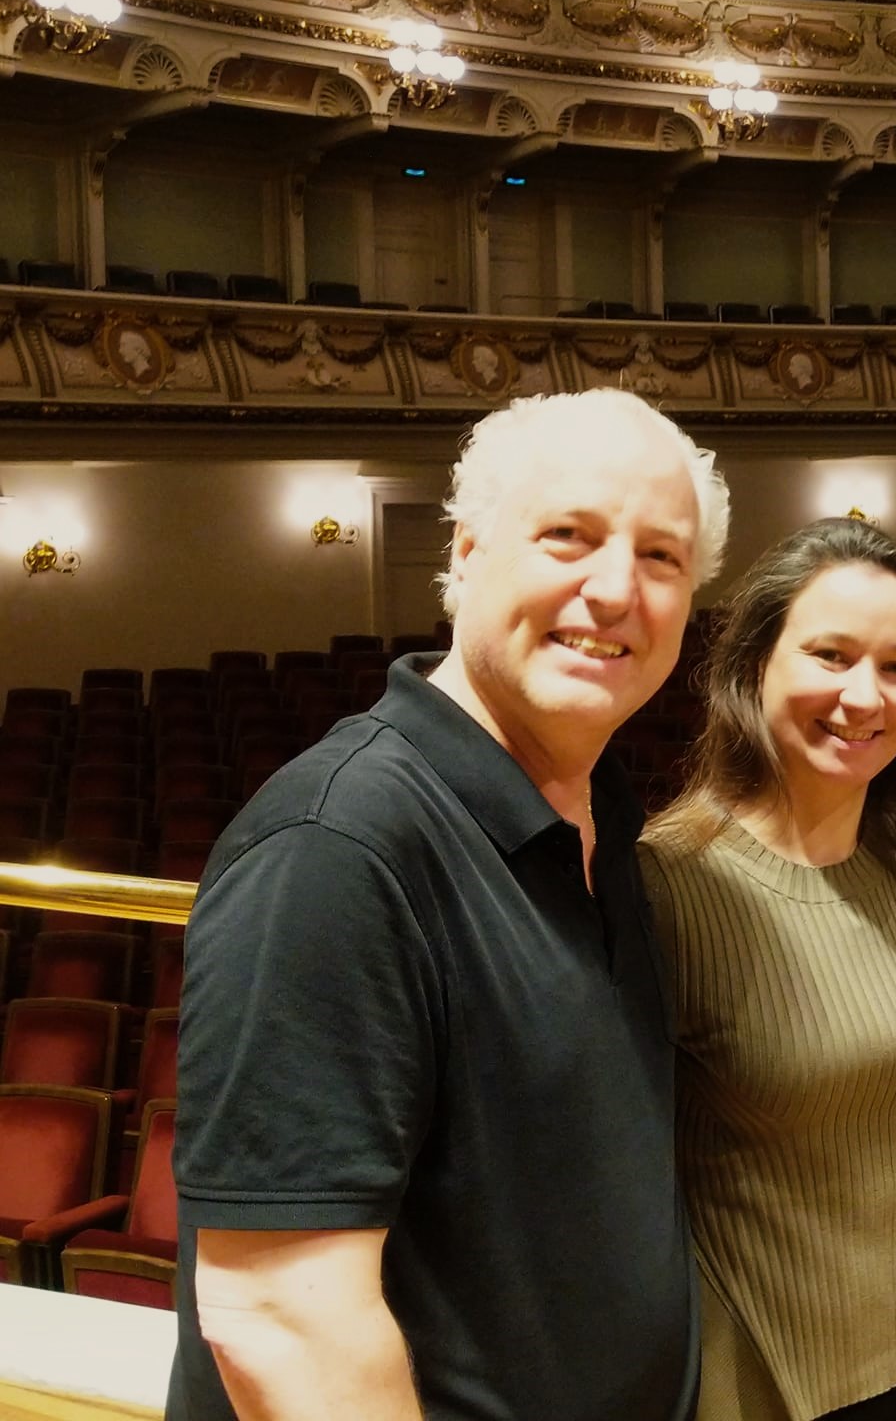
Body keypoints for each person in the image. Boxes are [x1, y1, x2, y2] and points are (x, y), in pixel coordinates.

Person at [168, 386, 729, 1421]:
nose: (615, 589)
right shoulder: (337, 845)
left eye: (661, 557)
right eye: (569, 535)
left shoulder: (603, 806)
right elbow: (277, 1318)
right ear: (467, 552)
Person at [640, 516, 896, 1421]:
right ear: (754, 666)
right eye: (830, 655)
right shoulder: (670, 880)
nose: (864, 696)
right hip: (759, 1374)